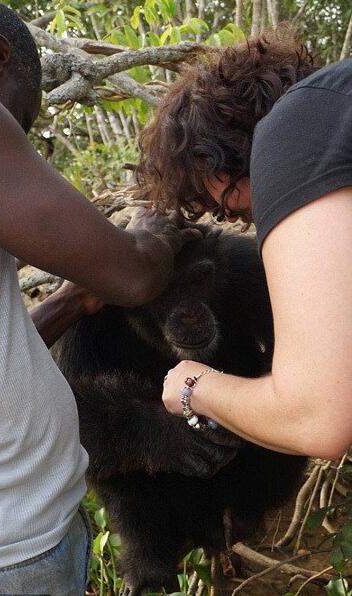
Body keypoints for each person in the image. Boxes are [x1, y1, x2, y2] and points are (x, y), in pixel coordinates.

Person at [0, 0, 210, 595]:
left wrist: (69, 302)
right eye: (21, 121)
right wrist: (152, 237)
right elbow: (134, 276)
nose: (15, 141)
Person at [137, 32, 352, 460]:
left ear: (208, 157)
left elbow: (318, 419)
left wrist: (192, 387)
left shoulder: (292, 130)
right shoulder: (336, 102)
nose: (226, 213)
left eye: (213, 200)